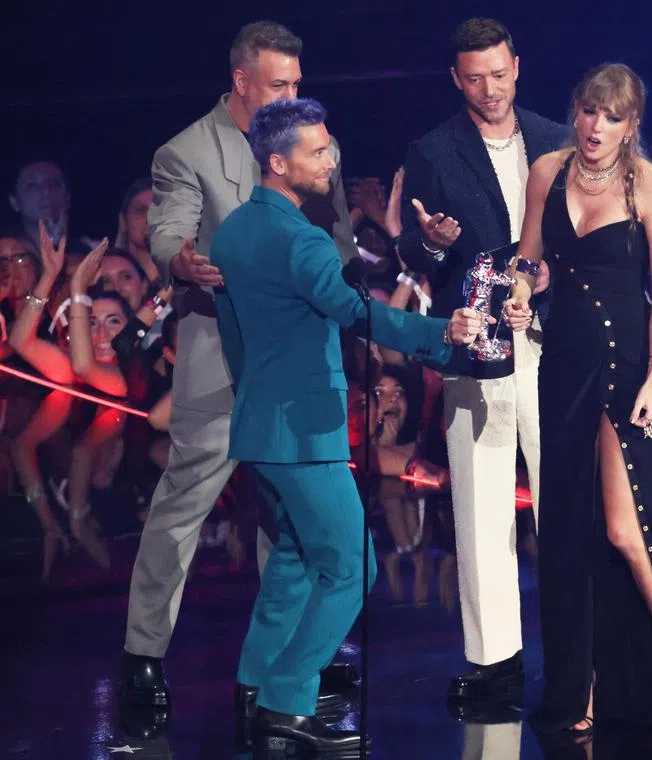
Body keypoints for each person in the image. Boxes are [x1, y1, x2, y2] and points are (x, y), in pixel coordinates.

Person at [211, 97, 481, 754]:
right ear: (278, 163)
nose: (331, 160)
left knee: (296, 560)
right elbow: (355, 312)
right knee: (353, 567)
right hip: (305, 428)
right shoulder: (300, 239)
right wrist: (440, 335)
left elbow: (235, 336)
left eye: (329, 146)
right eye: (317, 151)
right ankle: (286, 702)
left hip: (262, 424)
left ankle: (256, 686)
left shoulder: (234, 231)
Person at [118, 19, 359, 724]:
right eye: (278, 85)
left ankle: (283, 668)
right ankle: (142, 655)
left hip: (298, 361)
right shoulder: (188, 151)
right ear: (241, 81)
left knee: (292, 519)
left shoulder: (313, 142)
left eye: (297, 83)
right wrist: (182, 261)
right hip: (221, 355)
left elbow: (337, 241)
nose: (292, 96)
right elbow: (168, 230)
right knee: (184, 506)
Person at [502, 62, 652, 741]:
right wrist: (520, 295)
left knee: (625, 531)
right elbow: (529, 259)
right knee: (565, 533)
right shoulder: (546, 172)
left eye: (610, 117)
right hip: (562, 365)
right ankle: (580, 683)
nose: (595, 127)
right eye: (587, 111)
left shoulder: (650, 186)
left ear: (631, 125)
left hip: (624, 367)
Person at [398, 17, 565, 708]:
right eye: (474, 78)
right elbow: (412, 249)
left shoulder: (556, 139)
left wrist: (553, 275)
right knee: (479, 504)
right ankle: (495, 661)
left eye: (499, 74)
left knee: (565, 502)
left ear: (517, 67)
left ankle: (578, 649)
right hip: (476, 347)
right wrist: (434, 242)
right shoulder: (434, 150)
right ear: (455, 79)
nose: (490, 89)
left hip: (551, 343)